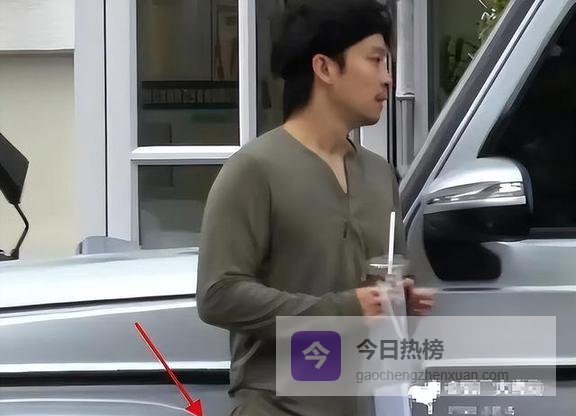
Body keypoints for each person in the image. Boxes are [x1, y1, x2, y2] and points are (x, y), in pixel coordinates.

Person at [197, 1, 434, 415]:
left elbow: (372, 286)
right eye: (376, 60)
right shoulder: (253, 170)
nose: (388, 78)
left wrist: (394, 299)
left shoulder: (381, 176)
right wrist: (344, 309)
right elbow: (218, 294)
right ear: (324, 68)